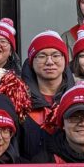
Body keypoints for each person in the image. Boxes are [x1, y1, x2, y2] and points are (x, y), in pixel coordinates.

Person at [19, 31, 74, 160]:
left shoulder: (76, 98)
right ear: (32, 62)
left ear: (65, 60)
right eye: (42, 56)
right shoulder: (19, 100)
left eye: (56, 55)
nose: (49, 62)